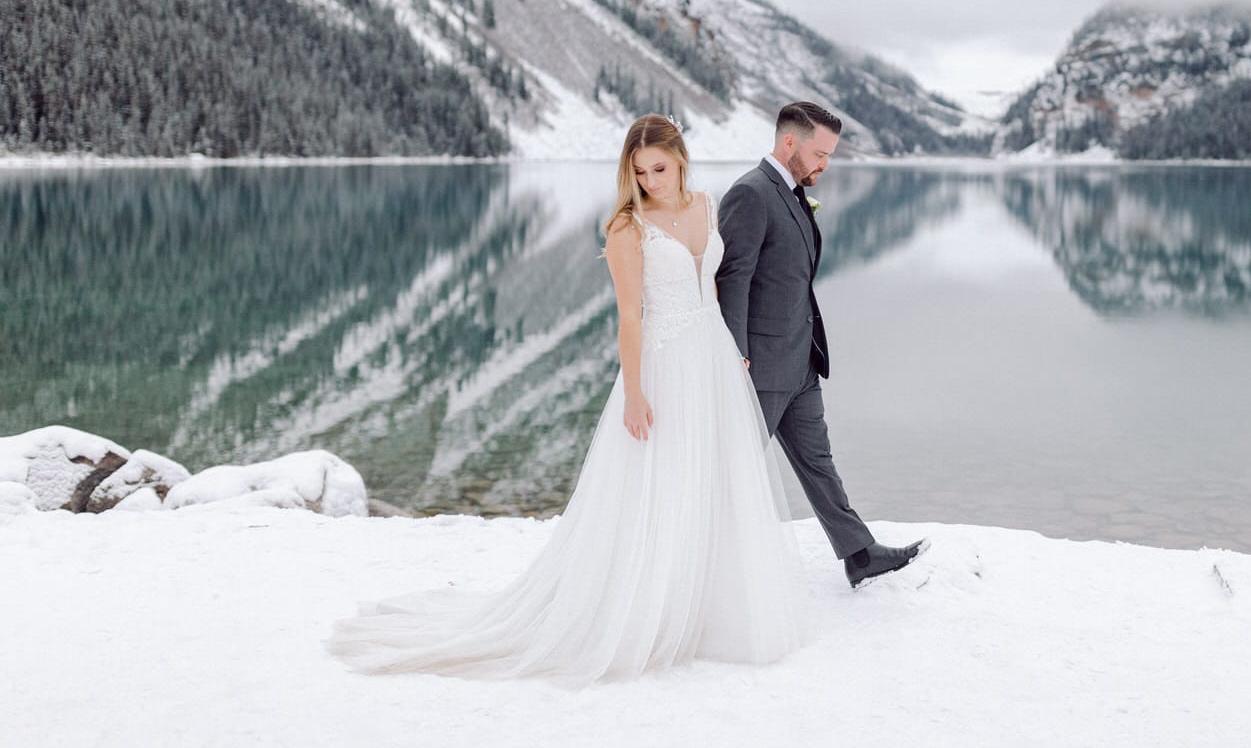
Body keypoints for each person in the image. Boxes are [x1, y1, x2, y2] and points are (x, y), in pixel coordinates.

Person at [328, 115, 804, 684]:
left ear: (680, 158)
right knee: (659, 483)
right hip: (664, 363)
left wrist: (739, 348)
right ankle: (646, 609)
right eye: (640, 172)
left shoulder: (707, 204)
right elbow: (631, 317)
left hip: (715, 357)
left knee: (710, 478)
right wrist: (634, 393)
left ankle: (704, 606)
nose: (651, 180)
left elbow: (723, 284)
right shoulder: (628, 229)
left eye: (660, 167)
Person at [716, 101, 926, 588]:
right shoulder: (751, 193)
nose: (824, 166)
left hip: (801, 359)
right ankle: (700, 565)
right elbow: (733, 279)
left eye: (830, 156)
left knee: (818, 460)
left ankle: (859, 554)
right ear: (789, 143)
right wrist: (735, 355)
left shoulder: (789, 190)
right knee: (731, 470)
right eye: (821, 154)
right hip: (761, 366)